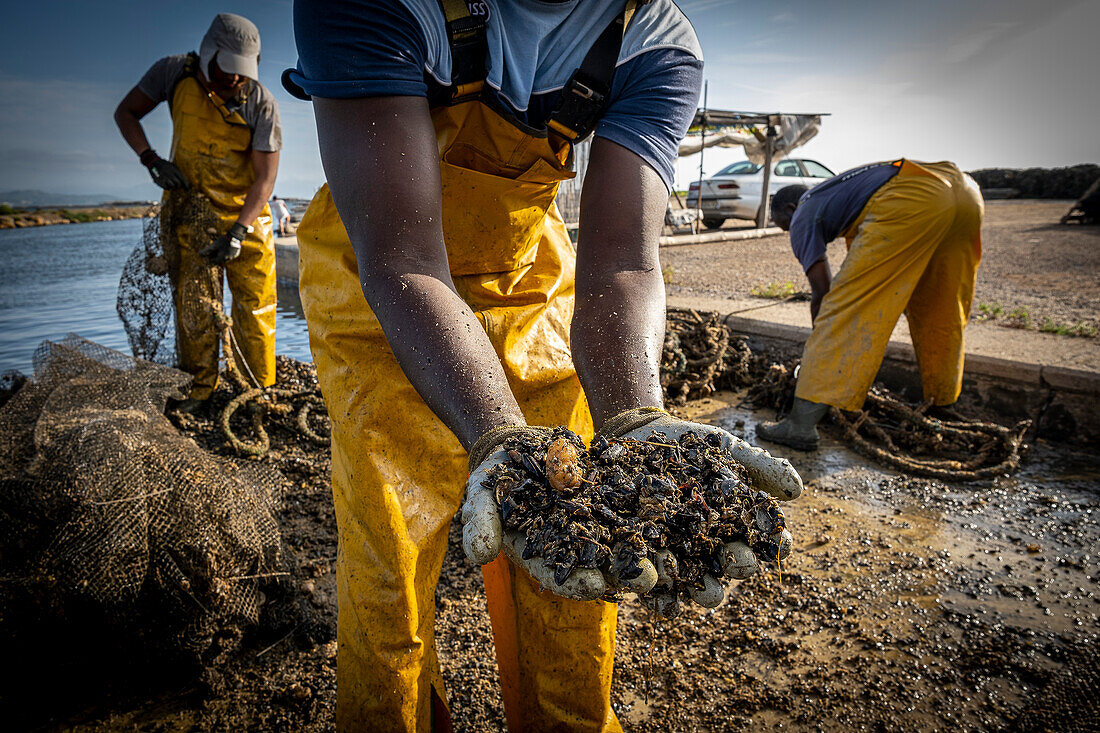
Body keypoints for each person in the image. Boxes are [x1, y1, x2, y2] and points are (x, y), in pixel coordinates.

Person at [284, 0, 802, 730]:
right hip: (381, 294)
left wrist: (635, 411)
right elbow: (402, 257)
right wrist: (498, 434)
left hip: (532, 286)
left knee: (574, 559)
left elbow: (621, 262)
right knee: (387, 569)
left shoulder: (653, 41)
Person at [114, 13, 282, 412]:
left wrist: (239, 233)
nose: (234, 81)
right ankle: (200, 388)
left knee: (256, 309)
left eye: (242, 74)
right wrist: (151, 160)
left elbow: (264, 180)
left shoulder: (261, 104)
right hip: (191, 214)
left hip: (247, 218)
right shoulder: (173, 73)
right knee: (195, 308)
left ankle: (259, 393)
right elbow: (126, 113)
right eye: (227, 73)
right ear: (209, 55)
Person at [757, 159, 984, 451]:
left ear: (790, 209)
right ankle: (942, 403)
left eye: (784, 227)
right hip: (963, 191)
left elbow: (824, 294)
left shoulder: (803, 211)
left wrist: (821, 341)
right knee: (939, 309)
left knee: (844, 310)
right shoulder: (837, 192)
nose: (789, 233)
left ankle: (800, 426)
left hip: (913, 197)